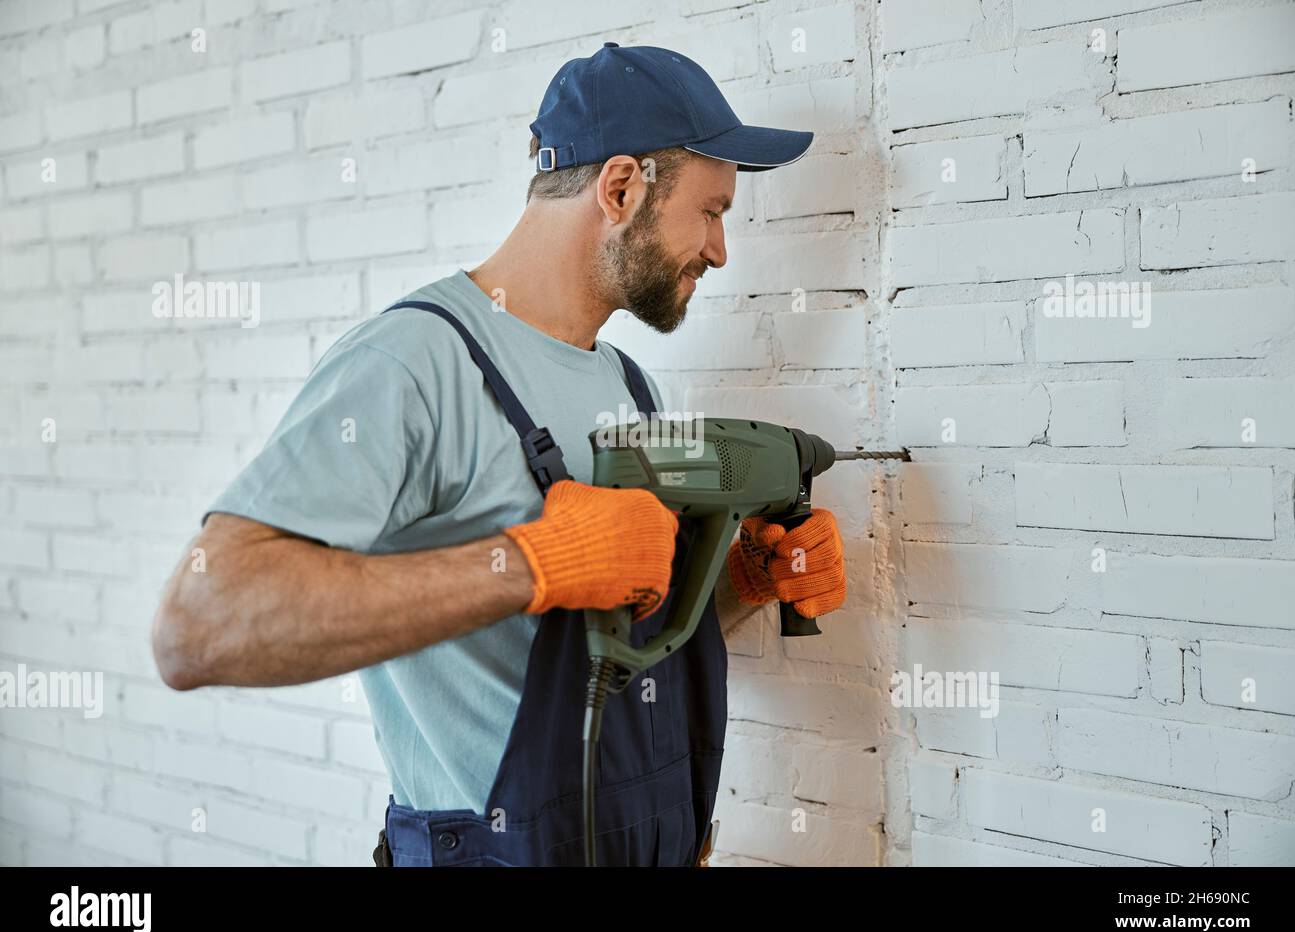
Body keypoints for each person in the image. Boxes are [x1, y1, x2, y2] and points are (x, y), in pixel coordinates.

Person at [152, 42, 847, 867]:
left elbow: (610, 642)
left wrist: (737, 585)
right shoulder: (415, 363)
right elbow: (198, 627)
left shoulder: (626, 386)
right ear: (621, 189)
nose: (720, 251)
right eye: (713, 211)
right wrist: (530, 561)